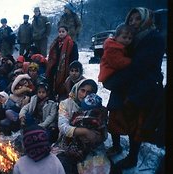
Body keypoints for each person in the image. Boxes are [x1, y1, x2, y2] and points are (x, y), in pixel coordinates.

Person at [108, 7, 166, 170]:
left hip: (143, 86)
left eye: (137, 19)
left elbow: (139, 66)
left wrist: (113, 79)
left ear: (147, 19)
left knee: (136, 124)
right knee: (115, 114)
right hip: (125, 83)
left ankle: (132, 157)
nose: (133, 22)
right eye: (131, 19)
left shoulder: (154, 38)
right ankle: (116, 145)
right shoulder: (130, 37)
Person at [54, 79, 107, 173]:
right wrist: (85, 132)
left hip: (90, 147)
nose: (85, 95)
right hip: (67, 144)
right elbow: (63, 127)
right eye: (82, 90)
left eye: (89, 92)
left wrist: (96, 137)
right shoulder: (66, 104)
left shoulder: (96, 107)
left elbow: (104, 134)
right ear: (77, 89)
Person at [46, 26, 79, 101]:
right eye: (59, 32)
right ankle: (52, 96)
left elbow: (74, 57)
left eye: (63, 31)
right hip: (55, 65)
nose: (61, 33)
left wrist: (72, 67)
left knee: (64, 82)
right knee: (51, 79)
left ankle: (63, 97)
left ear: (67, 32)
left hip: (66, 67)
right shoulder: (55, 43)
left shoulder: (72, 44)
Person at [98, 24, 135, 89]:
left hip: (113, 75)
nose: (127, 40)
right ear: (116, 37)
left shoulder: (120, 46)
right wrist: (131, 61)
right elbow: (118, 63)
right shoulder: (112, 48)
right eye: (124, 37)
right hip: (108, 77)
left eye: (130, 38)